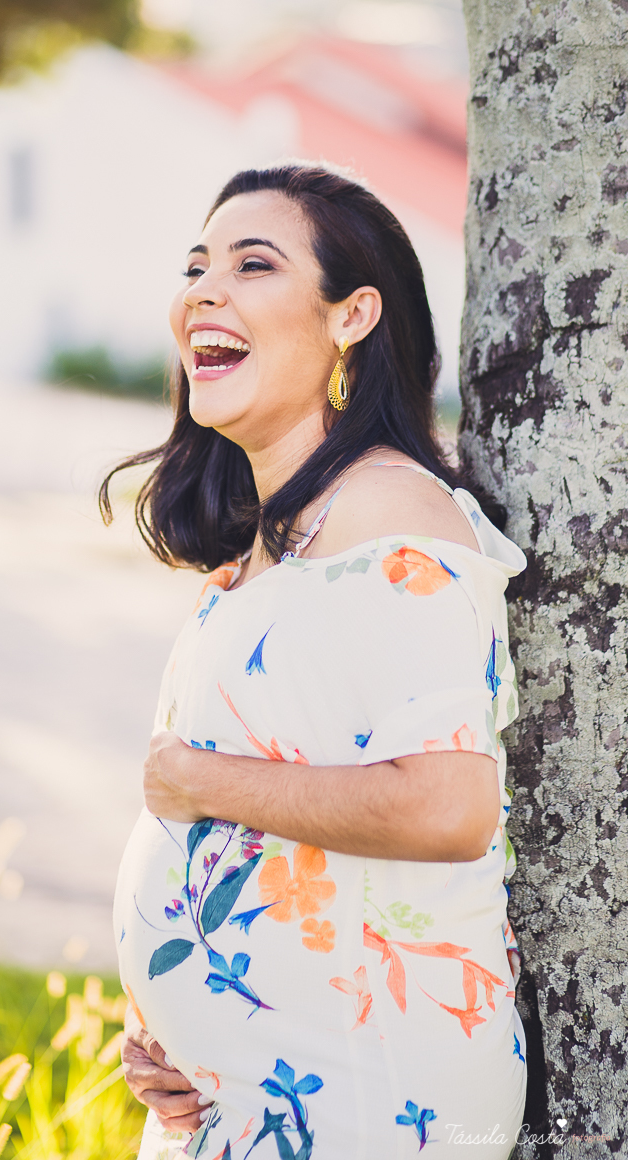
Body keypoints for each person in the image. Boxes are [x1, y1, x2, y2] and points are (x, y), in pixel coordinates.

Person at [101, 164, 527, 1159]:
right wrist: (189, 1031)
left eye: (253, 265)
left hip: (364, 1091)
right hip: (260, 1088)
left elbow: (443, 806)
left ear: (351, 316)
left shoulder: (388, 512)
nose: (204, 289)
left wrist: (188, 781)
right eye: (196, 265)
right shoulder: (274, 535)